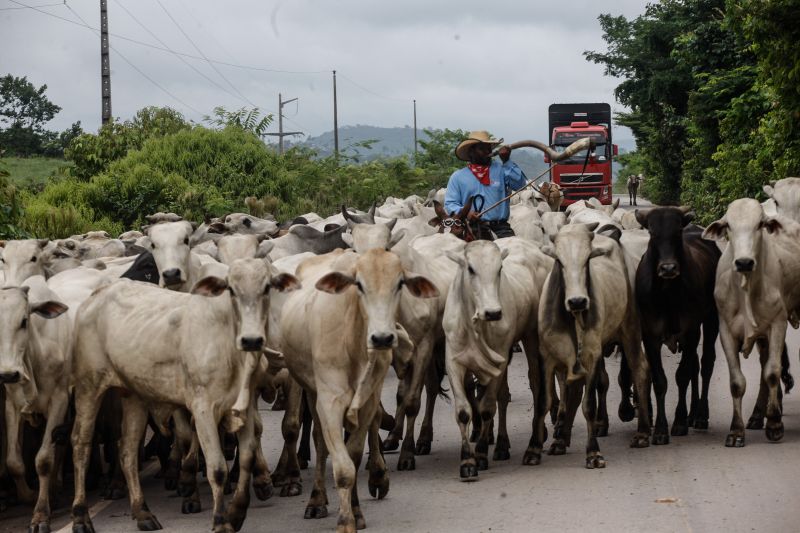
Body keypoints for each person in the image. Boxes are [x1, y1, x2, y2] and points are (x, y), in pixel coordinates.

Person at [445, 130, 527, 240]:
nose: (487, 151)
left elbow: (520, 185)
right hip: (469, 228)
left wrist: (506, 161)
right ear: (471, 152)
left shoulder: (502, 170)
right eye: (482, 149)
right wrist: (467, 213)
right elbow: (450, 204)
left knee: (516, 249)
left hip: (500, 228)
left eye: (489, 148)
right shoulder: (458, 176)